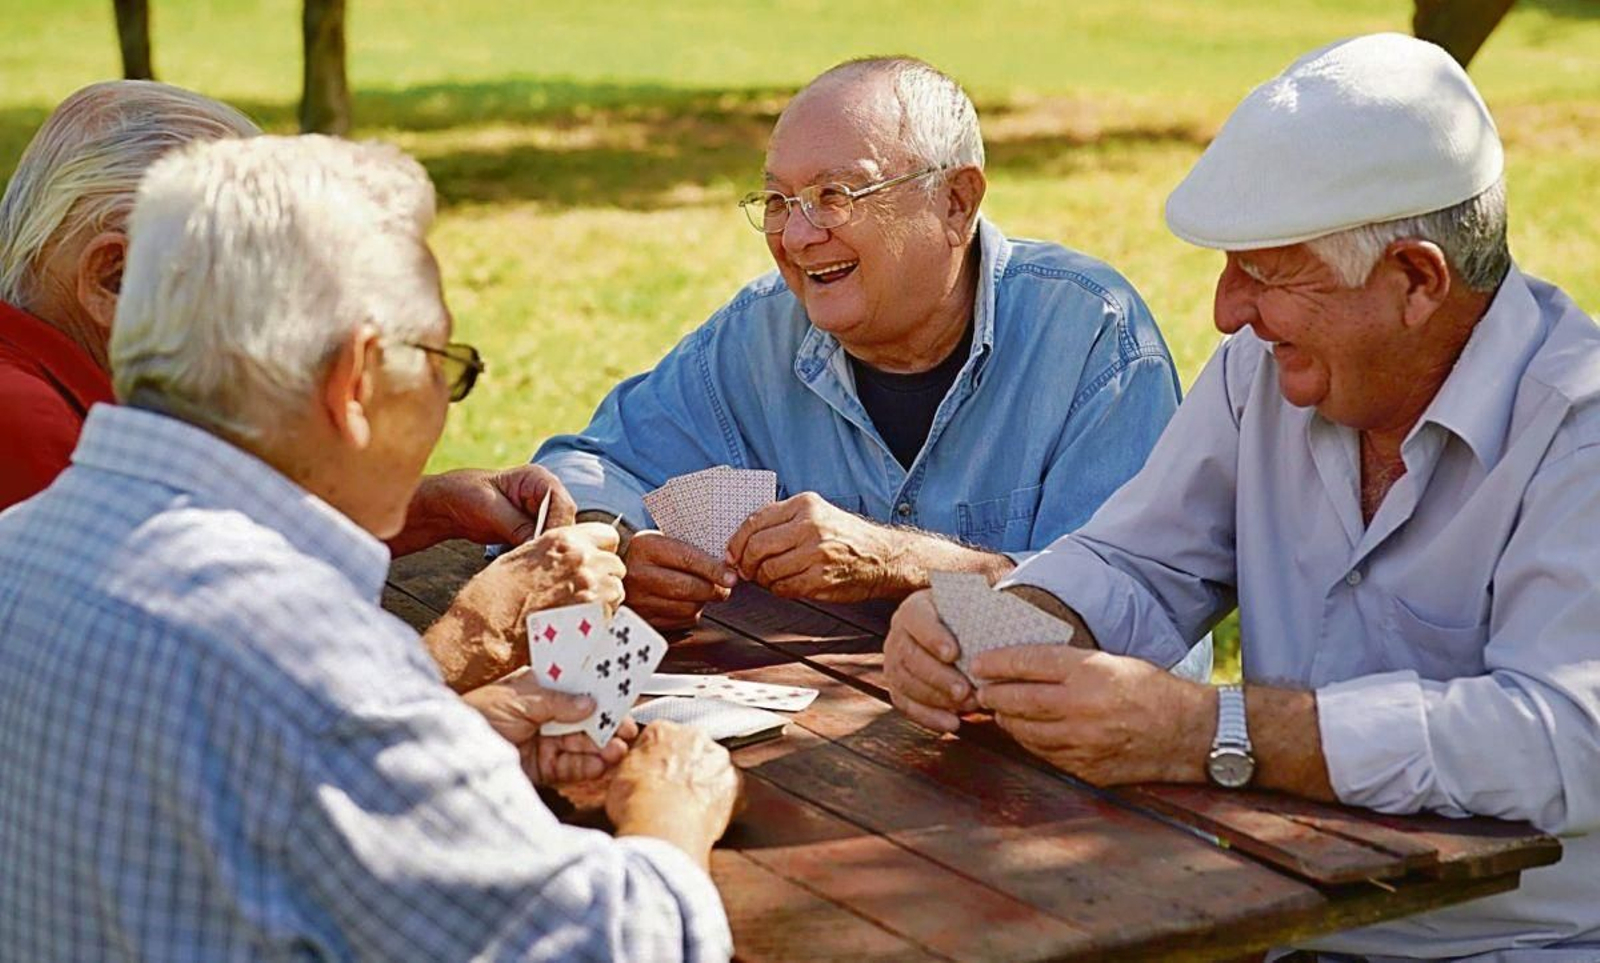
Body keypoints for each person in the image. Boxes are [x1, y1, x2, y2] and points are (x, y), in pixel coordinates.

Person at [884, 34, 1600, 957]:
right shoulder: (1260, 374)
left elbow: (1566, 739)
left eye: (1265, 273)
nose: (1226, 311)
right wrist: (1000, 622)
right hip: (1271, 913)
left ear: (1417, 280)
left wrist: (1213, 731)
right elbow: (1136, 562)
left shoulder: (1578, 425)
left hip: (1516, 945)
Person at [0, 135, 737, 961]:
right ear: (355, 382)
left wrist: (447, 737)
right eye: (441, 364)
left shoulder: (21, 547)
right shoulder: (306, 652)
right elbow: (615, 945)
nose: (443, 406)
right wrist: (672, 805)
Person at [534, 57, 1208, 678]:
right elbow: (582, 467)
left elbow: (1135, 630)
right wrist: (620, 546)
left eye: (835, 194)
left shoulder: (1090, 333)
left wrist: (902, 565)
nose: (797, 237)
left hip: (1033, 780)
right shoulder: (761, 332)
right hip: (817, 759)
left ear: (956, 203)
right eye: (777, 201)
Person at [0, 79, 578, 561]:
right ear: (113, 279)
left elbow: (220, 540)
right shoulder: (26, 423)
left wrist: (425, 509)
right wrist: (484, 632)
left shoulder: (84, 390)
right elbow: (199, 647)